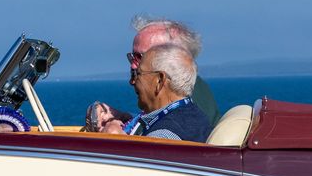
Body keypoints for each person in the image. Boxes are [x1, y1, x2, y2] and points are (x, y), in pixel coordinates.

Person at [85, 15, 220, 133]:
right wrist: (126, 118)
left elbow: (167, 141)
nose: (133, 65)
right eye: (132, 57)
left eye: (141, 57)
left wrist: (114, 137)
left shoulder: (190, 96)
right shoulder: (183, 94)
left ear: (173, 57)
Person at [117, 45, 211, 141]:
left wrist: (116, 141)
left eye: (138, 74)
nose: (132, 81)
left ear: (159, 80)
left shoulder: (160, 137)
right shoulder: (200, 119)